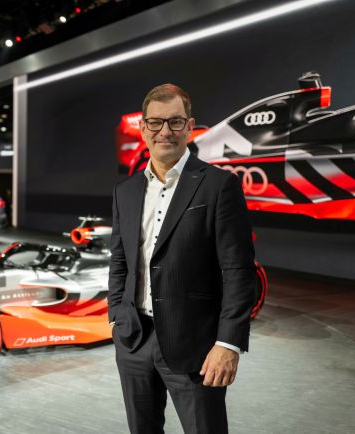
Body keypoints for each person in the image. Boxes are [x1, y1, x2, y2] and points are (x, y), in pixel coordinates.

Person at [108, 83, 256, 434]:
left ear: (190, 126)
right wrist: (116, 314)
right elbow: (120, 259)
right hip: (134, 339)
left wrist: (228, 343)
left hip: (197, 346)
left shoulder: (218, 186)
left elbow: (238, 270)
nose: (165, 132)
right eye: (156, 122)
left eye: (175, 122)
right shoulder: (125, 191)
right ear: (143, 128)